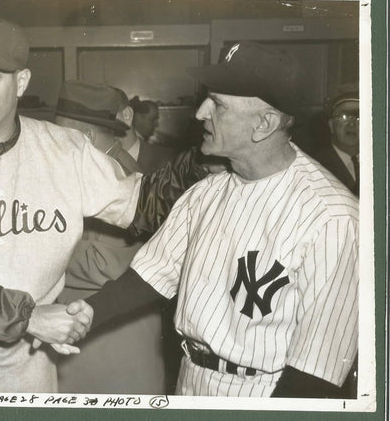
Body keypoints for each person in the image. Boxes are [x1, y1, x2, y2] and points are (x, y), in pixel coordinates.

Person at [0, 13, 206, 393]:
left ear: (21, 82)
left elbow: (145, 205)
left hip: (26, 361)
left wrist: (207, 158)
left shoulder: (65, 150)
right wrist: (28, 315)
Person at [83, 41, 359, 398]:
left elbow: (317, 374)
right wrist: (77, 315)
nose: (200, 113)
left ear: (265, 123)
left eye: (219, 104)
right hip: (189, 379)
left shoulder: (333, 217)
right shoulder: (206, 192)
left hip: (262, 393)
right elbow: (149, 277)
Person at [55, 81, 169, 394]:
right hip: (81, 332)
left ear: (84, 137)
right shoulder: (81, 170)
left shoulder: (125, 179)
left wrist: (37, 254)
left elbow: (111, 264)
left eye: (59, 135)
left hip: (117, 337)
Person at [313, 83, 359, 196]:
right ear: (331, 125)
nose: (352, 124)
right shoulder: (316, 166)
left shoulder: (380, 162)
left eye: (359, 117)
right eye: (343, 117)